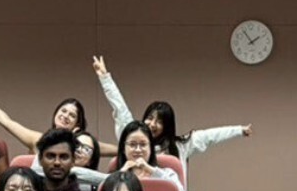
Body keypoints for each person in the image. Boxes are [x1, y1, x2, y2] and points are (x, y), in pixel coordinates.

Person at [92, 55, 250, 174]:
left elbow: (210, 136)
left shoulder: (181, 146)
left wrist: (239, 130)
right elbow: (120, 108)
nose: (152, 124)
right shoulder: (132, 137)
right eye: (150, 118)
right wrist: (105, 78)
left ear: (167, 126)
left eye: (159, 121)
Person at [0, 76, 111, 162]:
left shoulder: (85, 142)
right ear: (55, 113)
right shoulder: (37, 139)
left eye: (72, 115)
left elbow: (118, 149)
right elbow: (7, 122)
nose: (65, 116)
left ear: (77, 124)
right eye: (63, 111)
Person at [114, 121, 186, 191]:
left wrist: (152, 171)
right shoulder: (115, 175)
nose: (138, 150)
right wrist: (120, 175)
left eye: (143, 144)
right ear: (123, 149)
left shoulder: (167, 174)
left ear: (151, 148)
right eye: (132, 144)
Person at [37, 127, 95, 191]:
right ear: (40, 160)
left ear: (73, 160)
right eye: (50, 156)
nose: (57, 162)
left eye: (64, 157)